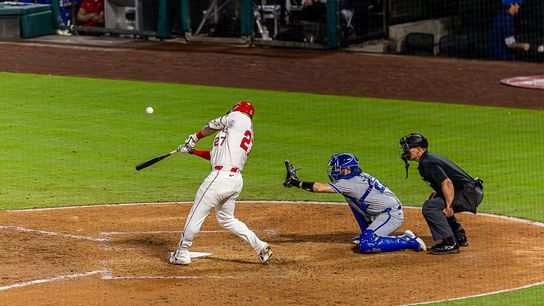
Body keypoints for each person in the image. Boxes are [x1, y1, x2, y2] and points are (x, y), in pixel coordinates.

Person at [169, 101, 272, 266]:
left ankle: (182, 252)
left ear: (237, 110)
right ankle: (260, 246)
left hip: (219, 178)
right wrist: (192, 151)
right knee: (226, 218)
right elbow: (215, 156)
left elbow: (212, 125)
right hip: (235, 180)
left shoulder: (238, 117)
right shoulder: (239, 132)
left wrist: (194, 138)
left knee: (196, 214)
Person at [283, 153, 426, 254]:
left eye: (337, 168)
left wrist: (296, 182)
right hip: (381, 211)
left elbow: (319, 188)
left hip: (390, 215)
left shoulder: (350, 183)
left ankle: (409, 240)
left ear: (347, 169)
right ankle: (369, 231)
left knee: (367, 244)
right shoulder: (355, 178)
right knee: (351, 199)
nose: (334, 171)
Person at [399, 133, 484, 255]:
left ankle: (449, 243)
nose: (405, 151)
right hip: (469, 191)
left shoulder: (427, 162)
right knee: (436, 200)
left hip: (468, 194)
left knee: (430, 207)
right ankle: (459, 235)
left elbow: (447, 183)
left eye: (408, 148)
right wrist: (438, 193)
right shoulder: (428, 159)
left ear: (418, 150)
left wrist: (449, 206)